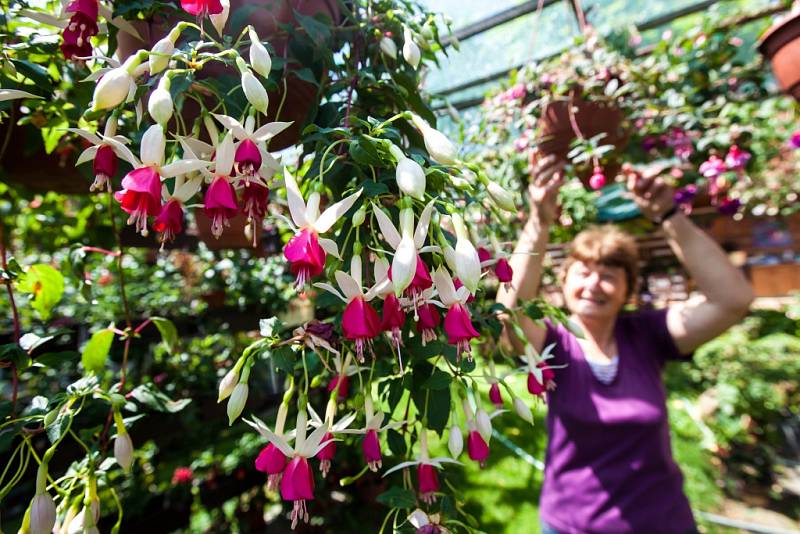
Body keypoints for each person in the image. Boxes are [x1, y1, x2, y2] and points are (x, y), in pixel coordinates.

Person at [497, 155, 755, 534]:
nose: (593, 284)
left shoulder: (647, 335)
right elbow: (509, 319)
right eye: (583, 272)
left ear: (627, 290)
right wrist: (540, 218)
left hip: (663, 523)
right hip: (573, 525)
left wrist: (668, 215)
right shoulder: (554, 341)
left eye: (609, 275)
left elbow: (733, 300)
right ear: (564, 282)